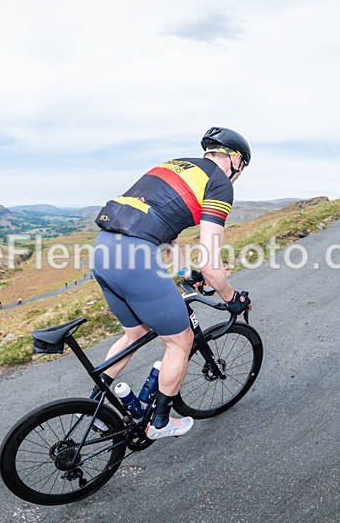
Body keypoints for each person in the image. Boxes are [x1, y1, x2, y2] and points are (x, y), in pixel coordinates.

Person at [92, 127, 253, 440]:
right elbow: (210, 262)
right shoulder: (219, 183)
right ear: (234, 159)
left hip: (102, 250)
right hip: (136, 259)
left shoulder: (176, 164)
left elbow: (167, 233)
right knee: (179, 341)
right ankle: (160, 423)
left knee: (136, 333)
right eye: (242, 167)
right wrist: (231, 297)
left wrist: (184, 274)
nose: (239, 174)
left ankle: (96, 408)